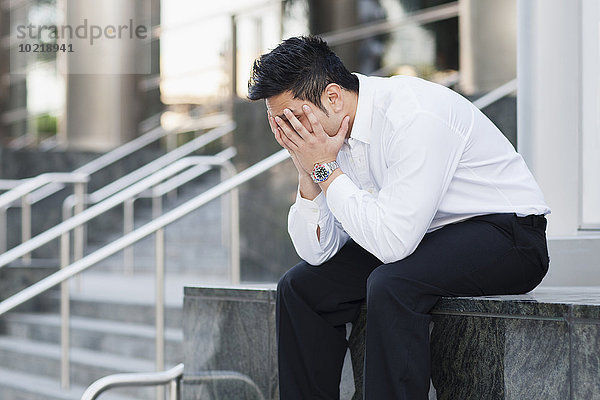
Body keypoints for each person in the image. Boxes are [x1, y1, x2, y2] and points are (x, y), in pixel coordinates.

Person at [247, 36, 551, 400]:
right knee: (299, 288)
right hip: (425, 236)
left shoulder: (412, 114)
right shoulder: (325, 140)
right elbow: (317, 253)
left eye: (291, 119)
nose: (287, 134)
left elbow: (393, 243)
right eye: (276, 122)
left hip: (509, 233)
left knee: (392, 285)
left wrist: (325, 170)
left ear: (332, 97)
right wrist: (307, 174)